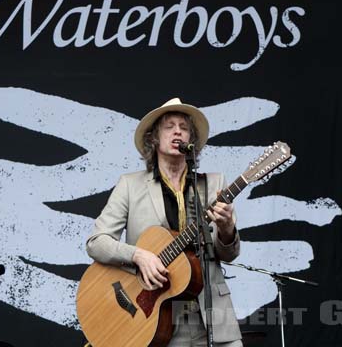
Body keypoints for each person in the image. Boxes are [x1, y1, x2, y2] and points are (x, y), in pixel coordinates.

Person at [86, 98, 243, 347]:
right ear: (154, 139)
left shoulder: (213, 184)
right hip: (157, 321)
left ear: (192, 141)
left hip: (213, 317)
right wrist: (139, 255)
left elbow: (229, 254)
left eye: (184, 126)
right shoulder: (130, 185)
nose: (178, 131)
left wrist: (226, 229)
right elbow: (96, 243)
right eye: (169, 126)